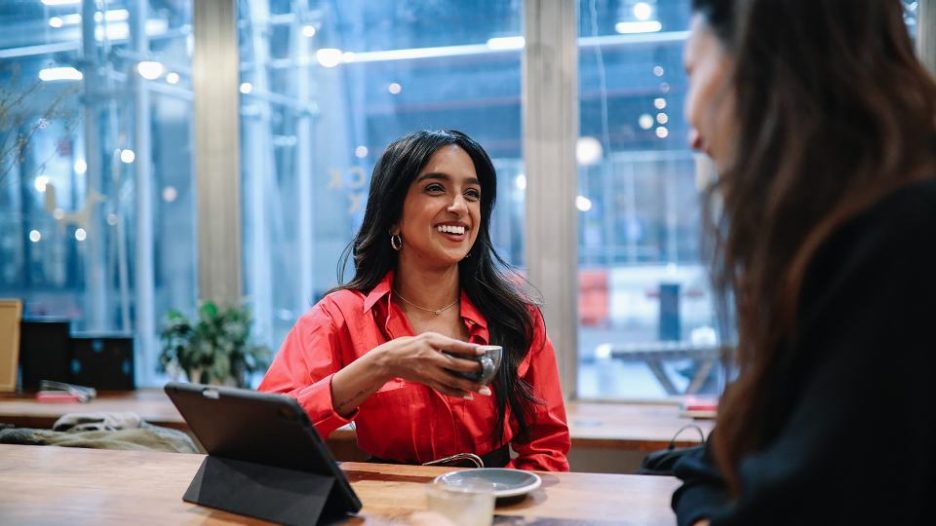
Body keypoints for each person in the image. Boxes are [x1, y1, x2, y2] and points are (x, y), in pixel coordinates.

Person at [673, 0, 936, 524]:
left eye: (692, 72)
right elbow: (716, 465)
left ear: (762, 69)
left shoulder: (903, 239)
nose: (693, 132)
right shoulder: (832, 244)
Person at [259, 129, 570, 471]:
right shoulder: (338, 317)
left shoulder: (516, 317)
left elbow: (547, 447)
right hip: (387, 508)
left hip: (492, 503)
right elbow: (267, 431)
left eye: (472, 193)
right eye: (435, 188)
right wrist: (381, 364)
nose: (458, 207)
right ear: (393, 215)